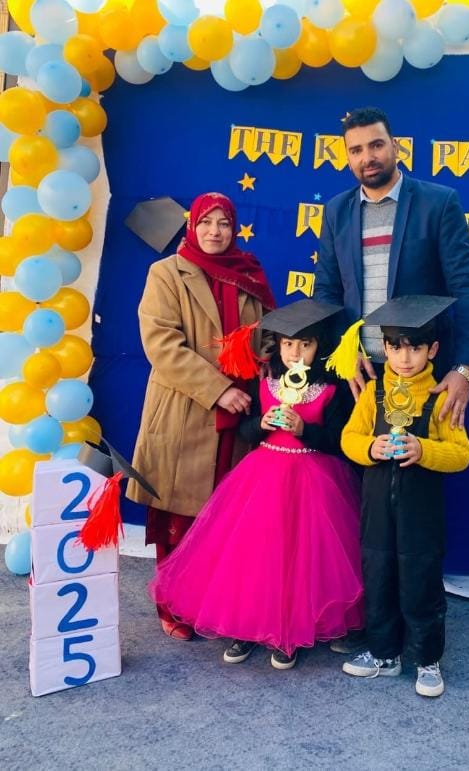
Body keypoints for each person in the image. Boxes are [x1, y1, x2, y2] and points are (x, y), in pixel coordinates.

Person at [148, 299, 364, 669]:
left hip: (313, 481)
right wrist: (261, 425)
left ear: (320, 347)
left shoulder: (331, 389)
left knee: (299, 558)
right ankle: (245, 626)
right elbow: (245, 429)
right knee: (254, 554)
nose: (296, 353)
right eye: (288, 344)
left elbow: (338, 440)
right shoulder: (265, 382)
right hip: (262, 478)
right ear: (278, 346)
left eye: (306, 345)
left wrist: (304, 429)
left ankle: (289, 631)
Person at [127, 192, 275, 641]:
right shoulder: (167, 273)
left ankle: (214, 601)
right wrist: (219, 390)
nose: (215, 231)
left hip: (240, 417)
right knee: (179, 517)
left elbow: (268, 340)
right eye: (206, 222)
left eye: (223, 223)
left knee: (226, 516)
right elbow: (163, 346)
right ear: (192, 225)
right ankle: (173, 604)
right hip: (185, 410)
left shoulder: (248, 275)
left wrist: (273, 375)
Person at [314, 106, 469, 429]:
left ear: (395, 146)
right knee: (355, 461)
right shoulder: (336, 211)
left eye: (376, 145)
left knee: (424, 461)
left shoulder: (439, 202)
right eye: (356, 150)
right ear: (347, 157)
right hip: (360, 376)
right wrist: (344, 352)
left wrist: (465, 369)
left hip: (425, 376)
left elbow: (466, 288)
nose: (367, 157)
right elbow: (327, 290)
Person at [339, 296, 469, 697]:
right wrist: (370, 448)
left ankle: (427, 659)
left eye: (415, 348)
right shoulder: (374, 392)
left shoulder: (440, 396)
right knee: (378, 576)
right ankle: (385, 654)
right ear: (384, 348)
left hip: (421, 511)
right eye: (396, 347)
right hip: (377, 507)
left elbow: (462, 454)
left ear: (432, 349)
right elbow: (349, 437)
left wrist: (423, 450)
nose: (405, 357)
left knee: (420, 582)